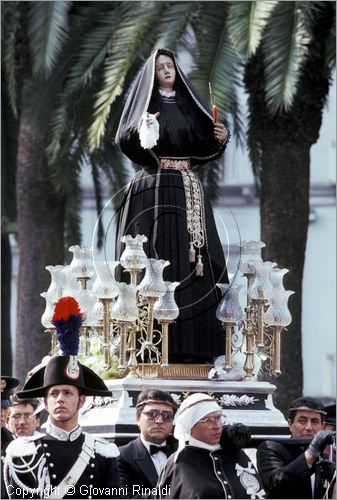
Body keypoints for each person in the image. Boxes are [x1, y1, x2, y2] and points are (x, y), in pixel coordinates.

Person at [115, 48, 230, 364]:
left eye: (170, 65)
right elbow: (124, 138)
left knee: (196, 258)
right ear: (153, 76)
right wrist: (144, 130)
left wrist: (220, 137)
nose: (166, 70)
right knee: (152, 256)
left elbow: (205, 144)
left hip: (187, 188)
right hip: (152, 188)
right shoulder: (145, 107)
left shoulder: (189, 106)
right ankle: (147, 343)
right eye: (161, 67)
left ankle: (196, 346)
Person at [3, 297, 121, 499]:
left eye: (68, 393)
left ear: (81, 400)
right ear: (45, 402)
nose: (60, 399)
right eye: (54, 393)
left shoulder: (103, 452)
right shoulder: (23, 452)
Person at [157, 392, 264, 499]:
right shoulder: (179, 462)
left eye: (218, 418)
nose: (217, 426)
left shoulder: (236, 454)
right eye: (208, 420)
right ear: (191, 425)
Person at [256, 396, 336, 499]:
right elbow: (276, 484)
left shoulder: (324, 457)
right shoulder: (270, 448)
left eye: (315, 421)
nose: (308, 428)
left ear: (322, 426)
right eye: (302, 421)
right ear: (290, 424)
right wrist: (311, 453)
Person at [117, 389, 178, 497]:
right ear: (138, 418)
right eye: (152, 414)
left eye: (167, 416)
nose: (159, 421)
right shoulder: (121, 456)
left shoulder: (182, 453)